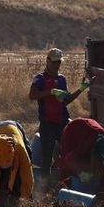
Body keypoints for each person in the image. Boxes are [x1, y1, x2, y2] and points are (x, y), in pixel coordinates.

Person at [27, 48, 84, 181]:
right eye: (54, 62)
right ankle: (44, 186)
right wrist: (51, 91)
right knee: (47, 156)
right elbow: (32, 95)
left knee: (68, 152)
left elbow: (66, 100)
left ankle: (67, 180)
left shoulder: (62, 79)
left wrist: (81, 89)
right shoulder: (40, 79)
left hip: (62, 122)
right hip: (47, 123)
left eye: (59, 62)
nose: (57, 65)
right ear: (47, 61)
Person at [55, 117, 104, 193]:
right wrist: (80, 172)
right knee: (66, 168)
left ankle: (101, 190)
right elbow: (69, 159)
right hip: (71, 133)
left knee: (96, 170)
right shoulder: (86, 144)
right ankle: (62, 191)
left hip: (87, 137)